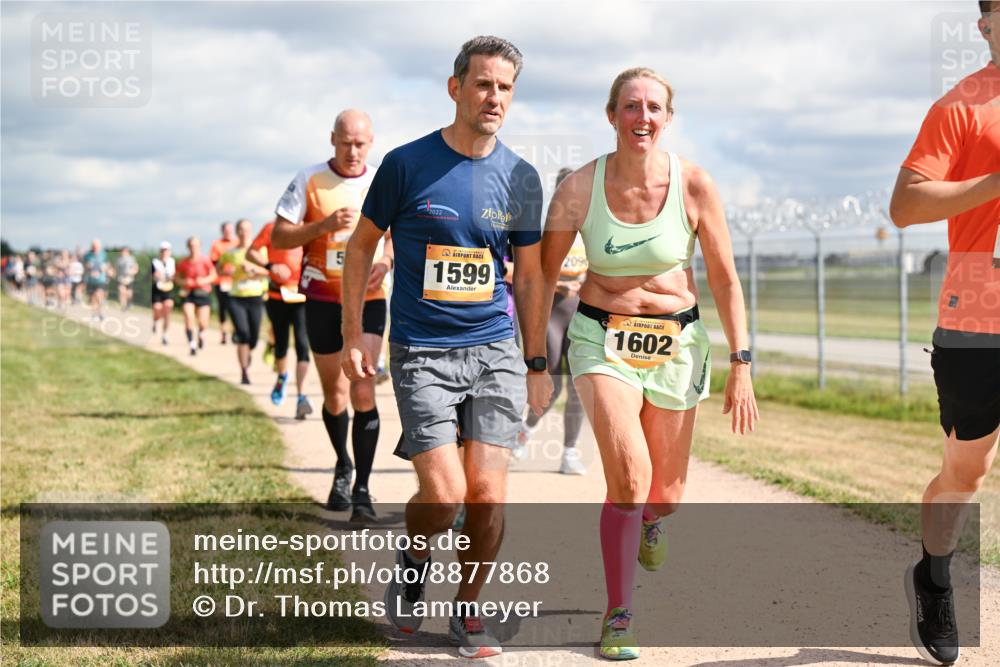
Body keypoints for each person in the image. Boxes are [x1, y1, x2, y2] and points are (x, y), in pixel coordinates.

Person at [524, 67, 758, 660]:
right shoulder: (578, 187)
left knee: (666, 492)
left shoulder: (695, 185)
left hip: (678, 343)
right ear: (611, 115)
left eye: (654, 107)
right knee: (627, 476)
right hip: (601, 338)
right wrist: (533, 360)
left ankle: (654, 517)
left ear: (668, 118)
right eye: (631, 106)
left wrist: (742, 360)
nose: (643, 117)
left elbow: (726, 280)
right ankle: (619, 613)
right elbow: (542, 276)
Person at [341, 36, 543, 659]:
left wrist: (536, 362)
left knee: (487, 494)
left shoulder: (521, 176)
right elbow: (359, 247)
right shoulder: (405, 164)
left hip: (495, 350)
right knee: (446, 494)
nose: (494, 97)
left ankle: (468, 611)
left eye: (505, 87)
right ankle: (413, 554)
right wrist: (353, 333)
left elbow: (531, 277)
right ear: (456, 88)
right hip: (422, 352)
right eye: (483, 84)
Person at [890, 3, 999, 664]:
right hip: (977, 318)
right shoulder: (960, 106)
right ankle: (934, 575)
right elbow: (905, 205)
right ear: (986, 23)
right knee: (965, 471)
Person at [271, 109, 387, 523]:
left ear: (371, 142)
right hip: (321, 297)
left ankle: (362, 491)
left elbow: (396, 236)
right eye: (345, 143)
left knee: (363, 390)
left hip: (369, 298)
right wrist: (321, 225)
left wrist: (386, 262)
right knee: (336, 395)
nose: (353, 151)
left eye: (360, 143)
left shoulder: (381, 179)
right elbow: (279, 235)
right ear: (332, 140)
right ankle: (343, 465)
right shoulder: (309, 179)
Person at [515, 167, 588, 475]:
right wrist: (560, 286)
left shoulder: (592, 229)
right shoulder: (549, 231)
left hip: (582, 314)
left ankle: (569, 452)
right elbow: (533, 275)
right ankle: (524, 431)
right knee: (553, 384)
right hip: (551, 313)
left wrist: (586, 284)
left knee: (580, 386)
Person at [247, 219, 314, 419]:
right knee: (281, 345)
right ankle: (282, 376)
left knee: (303, 345)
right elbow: (251, 251)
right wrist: (270, 265)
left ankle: (302, 397)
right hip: (277, 295)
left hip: (303, 294)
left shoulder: (312, 225)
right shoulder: (271, 227)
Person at [220, 219, 268, 385]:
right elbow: (219, 268)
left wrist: (255, 270)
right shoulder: (230, 252)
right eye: (240, 229)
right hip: (236, 297)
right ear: (236, 231)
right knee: (243, 333)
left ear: (251, 231)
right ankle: (244, 372)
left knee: (253, 337)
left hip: (255, 296)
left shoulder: (259, 251)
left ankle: (248, 352)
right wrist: (228, 270)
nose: (243, 232)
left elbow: (268, 270)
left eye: (246, 229)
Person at [176, 236, 218, 356]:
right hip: (188, 294)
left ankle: (201, 334)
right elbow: (176, 277)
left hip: (203, 293)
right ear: (188, 247)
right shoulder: (183, 262)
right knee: (189, 318)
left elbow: (213, 276)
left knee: (203, 323)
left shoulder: (205, 260)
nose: (193, 248)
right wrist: (184, 282)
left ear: (200, 247)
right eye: (191, 246)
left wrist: (203, 281)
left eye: (196, 246)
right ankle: (192, 344)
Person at [210, 222, 238, 344]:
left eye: (230, 230)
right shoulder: (217, 244)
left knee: (236, 307)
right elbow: (213, 262)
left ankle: (236, 332)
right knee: (223, 308)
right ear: (222, 231)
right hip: (221, 281)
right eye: (226, 230)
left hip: (236, 281)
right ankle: (223, 333)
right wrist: (224, 270)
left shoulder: (237, 243)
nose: (228, 232)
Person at [151, 241, 176, 345]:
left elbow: (175, 275)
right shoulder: (155, 262)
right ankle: (156, 321)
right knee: (157, 308)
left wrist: (171, 277)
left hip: (168, 289)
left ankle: (165, 335)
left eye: (166, 250)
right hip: (157, 288)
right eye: (162, 250)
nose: (164, 252)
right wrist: (155, 275)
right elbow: (151, 275)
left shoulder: (172, 262)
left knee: (167, 308)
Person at [82, 239, 110, 321]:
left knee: (99, 295)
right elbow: (84, 265)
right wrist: (88, 267)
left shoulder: (104, 255)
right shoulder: (87, 255)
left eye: (97, 246)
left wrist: (104, 269)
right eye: (94, 246)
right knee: (92, 298)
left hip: (101, 279)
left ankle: (100, 313)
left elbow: (107, 265)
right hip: (91, 280)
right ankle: (94, 314)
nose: (95, 248)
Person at [116, 246, 139, 311]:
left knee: (129, 293)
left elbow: (136, 268)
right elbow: (116, 268)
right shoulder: (119, 259)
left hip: (129, 279)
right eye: (122, 251)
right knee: (122, 291)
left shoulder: (131, 259)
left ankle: (129, 303)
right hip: (121, 278)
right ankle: (123, 306)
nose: (123, 252)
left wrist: (132, 272)